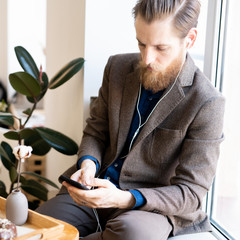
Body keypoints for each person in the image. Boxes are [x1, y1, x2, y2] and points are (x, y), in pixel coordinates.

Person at [36, 0, 225, 239]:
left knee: (131, 235)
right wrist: (88, 165)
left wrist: (124, 198)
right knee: (41, 229)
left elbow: (191, 192)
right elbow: (96, 131)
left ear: (190, 39)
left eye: (160, 48)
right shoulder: (116, 67)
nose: (147, 58)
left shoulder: (207, 102)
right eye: (141, 43)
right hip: (95, 187)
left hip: (149, 206)